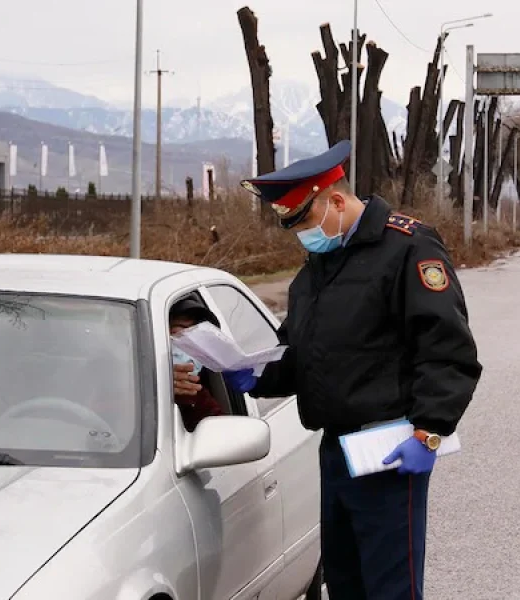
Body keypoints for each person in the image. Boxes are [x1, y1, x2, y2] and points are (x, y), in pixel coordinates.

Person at [226, 140, 482, 599]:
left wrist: (429, 431)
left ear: (336, 201)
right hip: (335, 449)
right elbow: (304, 351)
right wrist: (256, 375)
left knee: (390, 588)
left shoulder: (408, 248)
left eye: (304, 221)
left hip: (389, 449)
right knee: (344, 583)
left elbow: (448, 349)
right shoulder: (320, 268)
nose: (303, 234)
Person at [168, 296, 226, 432]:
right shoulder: (130, 385)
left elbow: (221, 432)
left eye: (198, 338)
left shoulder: (196, 394)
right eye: (179, 334)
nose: (190, 347)